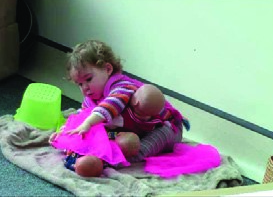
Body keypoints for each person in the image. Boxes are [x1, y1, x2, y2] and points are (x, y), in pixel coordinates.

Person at [49, 39, 188, 171]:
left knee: (139, 148)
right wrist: (64, 132)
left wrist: (88, 123)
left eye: (89, 79)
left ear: (108, 69)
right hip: (135, 129)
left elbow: (109, 106)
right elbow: (81, 117)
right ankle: (96, 159)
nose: (84, 87)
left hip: (165, 128)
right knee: (105, 137)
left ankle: (112, 162)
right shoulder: (91, 97)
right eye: (80, 84)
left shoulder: (122, 86)